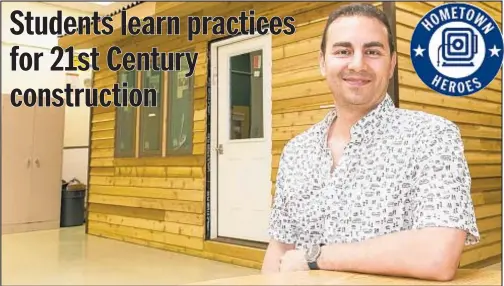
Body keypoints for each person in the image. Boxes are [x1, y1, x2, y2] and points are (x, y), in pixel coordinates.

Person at [261, 3, 480, 282]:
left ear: (391, 65)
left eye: (373, 52)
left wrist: (314, 257)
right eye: (343, 51)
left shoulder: (432, 136)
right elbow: (280, 248)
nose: (357, 64)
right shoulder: (296, 151)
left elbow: (438, 254)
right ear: (322, 62)